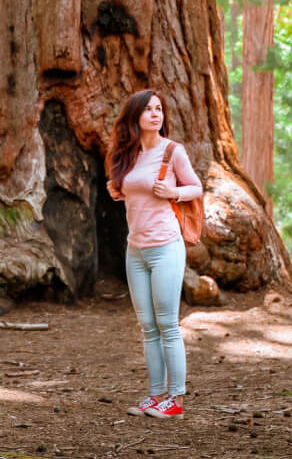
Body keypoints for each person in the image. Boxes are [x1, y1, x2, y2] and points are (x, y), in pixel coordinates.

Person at [105, 88, 203, 420]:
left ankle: (174, 399)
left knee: (167, 324)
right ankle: (155, 394)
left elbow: (196, 187)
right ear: (135, 117)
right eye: (148, 110)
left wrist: (174, 191)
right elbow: (129, 191)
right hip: (136, 250)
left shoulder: (172, 152)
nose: (155, 114)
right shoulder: (127, 154)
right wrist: (117, 191)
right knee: (147, 326)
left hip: (166, 247)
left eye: (159, 109)